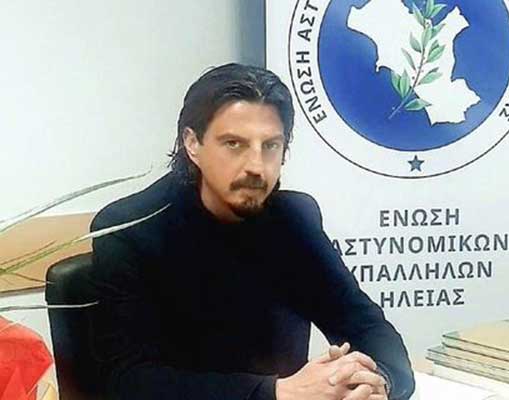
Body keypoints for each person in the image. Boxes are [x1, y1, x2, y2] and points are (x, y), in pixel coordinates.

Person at [89, 63, 415, 400]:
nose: (256, 166)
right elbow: (129, 381)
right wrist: (276, 393)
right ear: (193, 143)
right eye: (234, 144)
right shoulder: (130, 229)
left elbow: (363, 323)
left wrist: (378, 381)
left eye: (270, 146)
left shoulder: (294, 219)